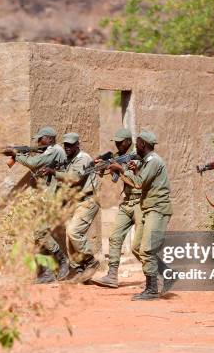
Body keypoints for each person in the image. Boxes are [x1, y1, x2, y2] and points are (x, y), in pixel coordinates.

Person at [108, 130, 173, 300]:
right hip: (148, 208)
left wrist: (120, 169)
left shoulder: (153, 161)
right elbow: (140, 178)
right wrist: (133, 169)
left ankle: (152, 289)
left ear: (143, 144)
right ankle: (165, 274)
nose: (135, 145)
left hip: (157, 209)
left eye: (137, 143)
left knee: (147, 249)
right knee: (137, 247)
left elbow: (138, 183)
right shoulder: (146, 161)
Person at [5, 126, 70, 284]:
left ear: (48, 139)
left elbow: (35, 163)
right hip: (46, 196)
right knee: (38, 234)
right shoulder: (49, 150)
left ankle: (62, 260)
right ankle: (44, 273)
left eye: (40, 139)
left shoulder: (55, 150)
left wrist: (17, 155)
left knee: (41, 232)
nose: (38, 141)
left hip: (53, 196)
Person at [39, 132, 100, 283]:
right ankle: (79, 269)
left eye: (71, 145)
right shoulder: (69, 159)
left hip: (88, 201)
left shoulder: (83, 158)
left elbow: (74, 178)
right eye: (65, 145)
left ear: (77, 145)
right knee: (69, 236)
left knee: (74, 231)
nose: (67, 148)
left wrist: (54, 172)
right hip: (75, 202)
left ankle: (90, 260)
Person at [91, 128, 142, 288]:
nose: (118, 145)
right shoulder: (118, 157)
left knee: (140, 245)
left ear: (128, 141)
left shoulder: (137, 156)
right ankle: (112, 275)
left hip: (141, 202)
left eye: (121, 142)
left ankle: (158, 274)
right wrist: (103, 168)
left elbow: (137, 180)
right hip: (127, 203)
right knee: (114, 237)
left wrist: (120, 168)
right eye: (117, 142)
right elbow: (114, 179)